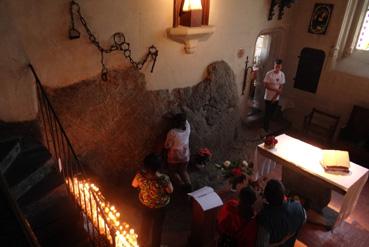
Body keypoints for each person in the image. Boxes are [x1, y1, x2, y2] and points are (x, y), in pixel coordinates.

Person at [131, 153, 174, 247]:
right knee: (157, 227)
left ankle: (142, 242)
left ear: (145, 166)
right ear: (159, 167)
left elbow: (134, 185)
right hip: (160, 207)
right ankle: (155, 245)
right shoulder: (164, 179)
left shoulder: (140, 176)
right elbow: (170, 191)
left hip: (145, 205)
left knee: (145, 223)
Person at [257, 179, 306, 247]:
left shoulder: (266, 217)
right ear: (283, 193)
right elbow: (304, 219)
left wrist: (281, 242)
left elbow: (261, 245)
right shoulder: (298, 206)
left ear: (267, 198)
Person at [164, 112, 192, 191]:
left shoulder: (172, 132)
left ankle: (181, 185)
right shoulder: (187, 128)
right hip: (185, 156)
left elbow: (167, 145)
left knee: (172, 171)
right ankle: (189, 185)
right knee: (183, 170)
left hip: (174, 157)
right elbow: (185, 121)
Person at [263, 59, 286, 132]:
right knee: (267, 113)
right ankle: (265, 128)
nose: (277, 68)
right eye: (276, 66)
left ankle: (268, 127)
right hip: (268, 97)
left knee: (272, 113)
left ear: (281, 66)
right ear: (274, 65)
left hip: (276, 98)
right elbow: (266, 85)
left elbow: (281, 86)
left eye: (279, 67)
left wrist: (275, 96)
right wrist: (276, 90)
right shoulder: (269, 73)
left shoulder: (282, 74)